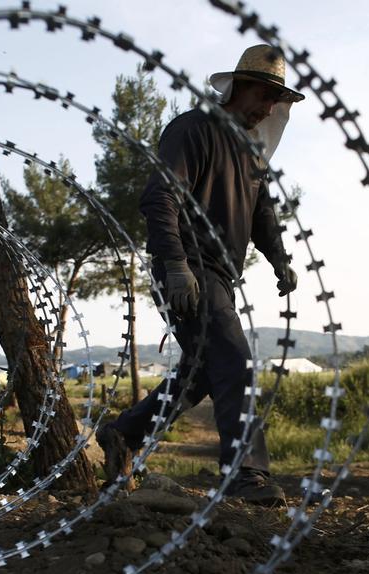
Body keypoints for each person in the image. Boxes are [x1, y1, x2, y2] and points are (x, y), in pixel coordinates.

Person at [97, 45, 303, 506]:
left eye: (278, 101)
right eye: (265, 95)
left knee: (203, 374)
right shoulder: (192, 130)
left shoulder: (251, 152)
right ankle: (245, 474)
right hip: (188, 268)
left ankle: (123, 433)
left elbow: (262, 212)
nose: (270, 108)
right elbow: (160, 197)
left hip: (221, 276)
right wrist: (174, 265)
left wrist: (279, 258)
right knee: (235, 361)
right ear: (237, 87)